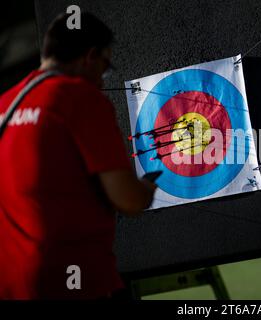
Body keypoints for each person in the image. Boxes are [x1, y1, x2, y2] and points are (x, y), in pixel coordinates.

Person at [0, 12, 155, 299]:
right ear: (90, 56)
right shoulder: (80, 97)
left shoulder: (4, 103)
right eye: (105, 67)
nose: (100, 80)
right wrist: (147, 189)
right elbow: (129, 200)